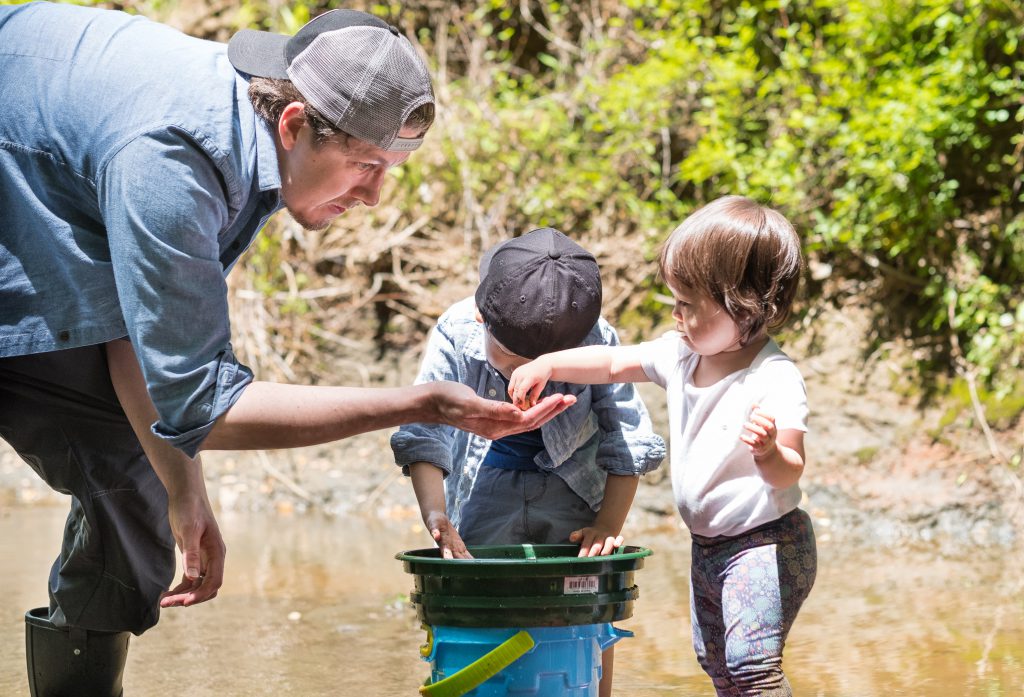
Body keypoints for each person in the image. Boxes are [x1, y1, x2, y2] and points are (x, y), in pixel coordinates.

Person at [0, 5, 572, 696]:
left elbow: (143, 332)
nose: (373, 196)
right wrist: (421, 404)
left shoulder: (257, 129)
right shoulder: (175, 160)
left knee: (137, 494)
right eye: (365, 166)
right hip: (19, 179)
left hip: (49, 176)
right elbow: (208, 405)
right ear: (295, 123)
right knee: (126, 477)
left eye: (390, 169)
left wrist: (186, 490)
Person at [509, 196, 817, 697]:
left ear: (746, 302)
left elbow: (791, 471)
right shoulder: (682, 355)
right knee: (715, 663)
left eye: (688, 304)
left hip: (766, 541)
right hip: (709, 544)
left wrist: (767, 453)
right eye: (674, 300)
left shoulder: (774, 378)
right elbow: (612, 364)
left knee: (751, 667)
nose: (675, 315)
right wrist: (549, 364)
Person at [391, 227, 666, 696]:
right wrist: (437, 516)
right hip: (482, 487)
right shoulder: (457, 333)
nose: (527, 378)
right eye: (513, 361)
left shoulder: (595, 339)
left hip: (574, 486)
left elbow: (627, 437)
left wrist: (608, 524)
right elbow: (424, 432)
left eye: (546, 366)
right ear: (482, 318)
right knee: (480, 603)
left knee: (585, 599)